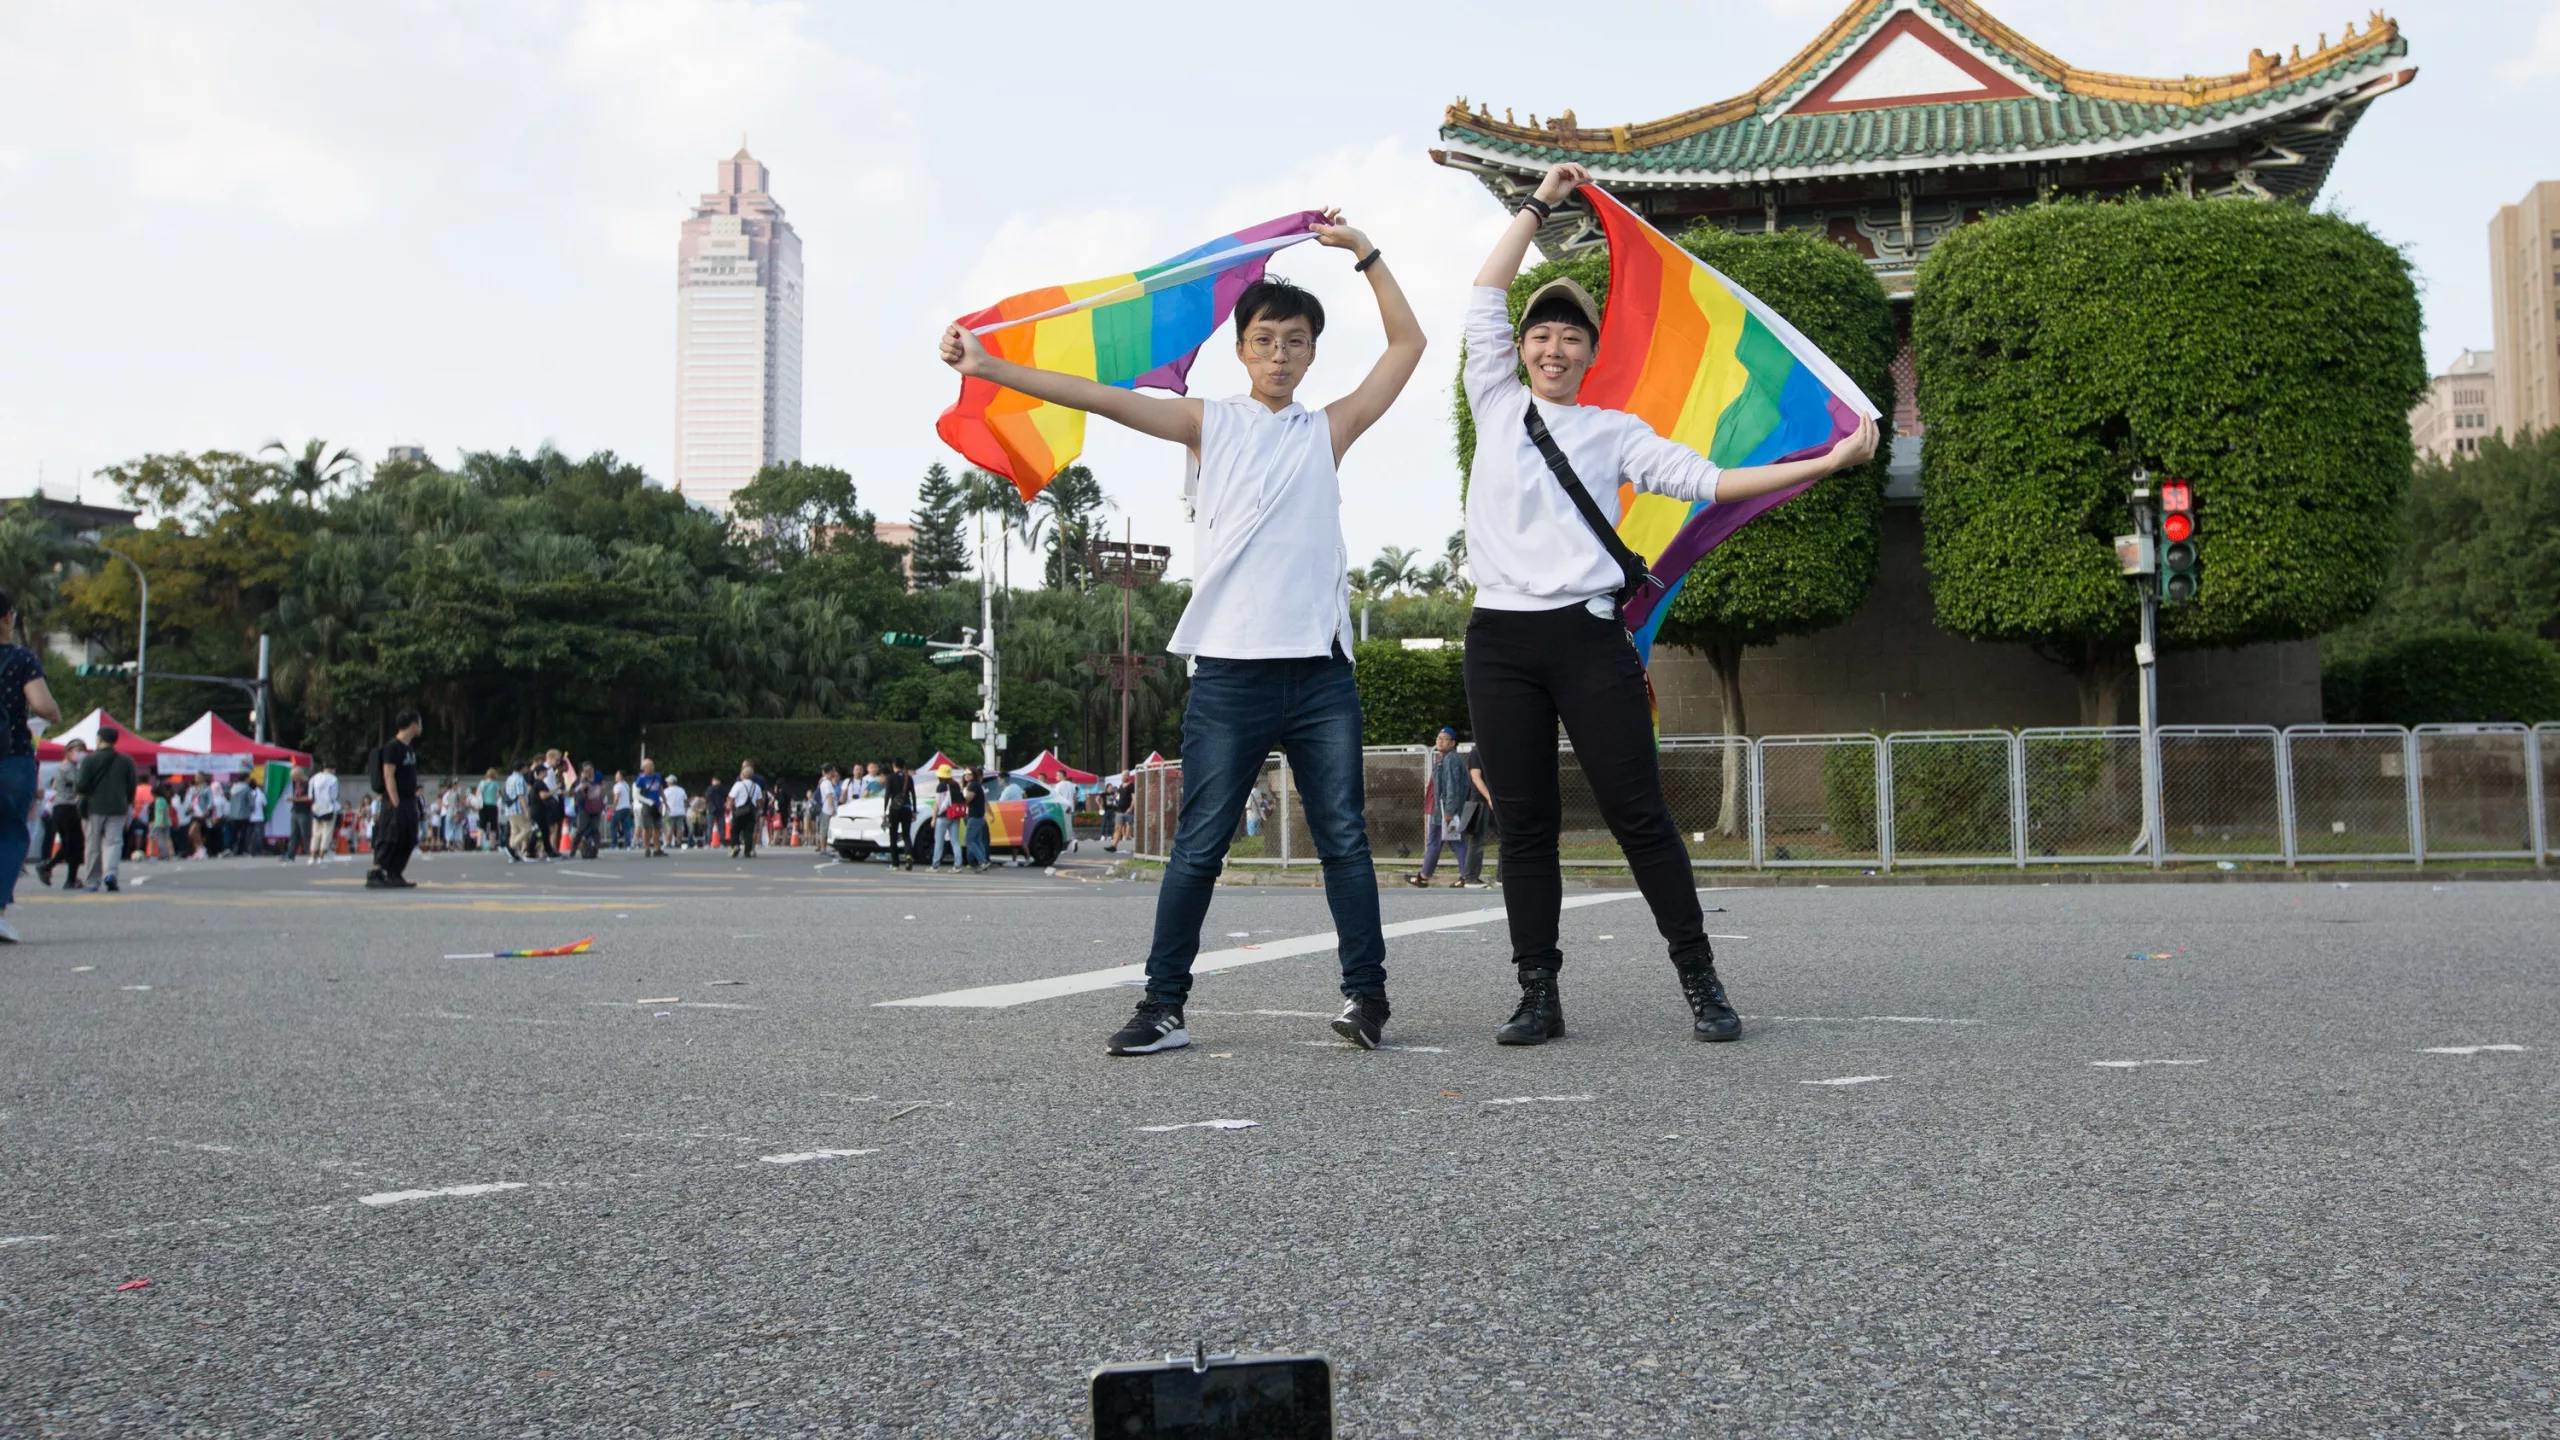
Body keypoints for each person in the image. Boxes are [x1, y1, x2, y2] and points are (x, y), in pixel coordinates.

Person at [942, 211, 1423, 1055]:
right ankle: (1163, 1005)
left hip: (1320, 674)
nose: (1280, 354)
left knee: (1343, 837)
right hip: (1231, 674)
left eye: (1297, 341)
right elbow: (1100, 396)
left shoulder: (1328, 430)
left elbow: (1408, 347)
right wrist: (991, 365)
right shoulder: (1209, 423)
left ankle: (1366, 999)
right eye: (1266, 339)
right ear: (1241, 349)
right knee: (1199, 843)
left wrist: (1368, 256)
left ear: (1313, 353)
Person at [1460, 161, 1877, 1046]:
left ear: (1591, 352)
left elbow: (1713, 481)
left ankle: (1701, 978)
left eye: (1573, 337)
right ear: (1520, 347)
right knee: (1525, 827)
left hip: (1587, 638)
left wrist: (1823, 464)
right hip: (1499, 641)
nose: (1555, 348)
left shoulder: (1616, 433)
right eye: (1542, 335)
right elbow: (1485, 288)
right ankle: (1538, 992)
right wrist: (1540, 202)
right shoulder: (1493, 400)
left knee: (1639, 814)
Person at [0, 594, 58, 938]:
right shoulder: (21, 659)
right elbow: (42, 705)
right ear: (8, 617)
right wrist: (54, 713)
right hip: (11, 758)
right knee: (9, 833)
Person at [366, 709, 425, 889]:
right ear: (413, 724)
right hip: (394, 801)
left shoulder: (409, 748)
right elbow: (388, 775)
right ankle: (376, 872)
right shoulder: (393, 747)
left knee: (409, 837)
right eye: (420, 722)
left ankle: (395, 873)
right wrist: (395, 802)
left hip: (408, 800)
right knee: (389, 836)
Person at [74, 725, 135, 895]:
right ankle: (110, 874)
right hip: (118, 807)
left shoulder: (89, 760)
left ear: (99, 739)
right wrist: (127, 801)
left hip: (93, 807)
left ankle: (93, 880)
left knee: (93, 845)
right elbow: (131, 786)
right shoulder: (126, 760)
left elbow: (82, 785)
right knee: (114, 842)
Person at [1410, 727, 1474, 887]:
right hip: (1441, 809)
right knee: (1454, 842)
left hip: (1443, 810)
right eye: (1438, 738)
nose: (1440, 741)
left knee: (1440, 842)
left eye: (1445, 738)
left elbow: (1452, 786)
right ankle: (1465, 876)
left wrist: (1449, 811)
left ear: (1453, 743)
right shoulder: (1443, 758)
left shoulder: (1450, 759)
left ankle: (1425, 876)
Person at [38, 739, 86, 887]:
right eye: (77, 751)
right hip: (67, 807)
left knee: (70, 844)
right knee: (74, 843)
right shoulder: (67, 767)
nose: (80, 754)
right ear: (68, 751)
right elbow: (80, 784)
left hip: (63, 808)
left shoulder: (69, 767)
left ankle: (65, 875)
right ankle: (52, 868)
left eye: (82, 751)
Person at [929, 763, 964, 871]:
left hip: (943, 817)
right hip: (955, 816)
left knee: (939, 842)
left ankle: (935, 865)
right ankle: (957, 864)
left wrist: (934, 818)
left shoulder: (940, 787)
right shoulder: (956, 785)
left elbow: (937, 804)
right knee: (955, 841)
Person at [883, 759, 916, 871]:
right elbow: (913, 795)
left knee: (893, 836)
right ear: (904, 766)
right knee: (906, 835)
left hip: (894, 809)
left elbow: (887, 794)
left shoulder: (891, 778)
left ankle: (895, 863)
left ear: (894, 765)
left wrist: (884, 810)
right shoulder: (909, 778)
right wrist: (914, 810)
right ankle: (908, 855)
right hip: (906, 808)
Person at [726, 760, 763, 859]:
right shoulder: (757, 787)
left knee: (735, 830)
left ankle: (736, 845)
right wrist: (759, 809)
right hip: (751, 812)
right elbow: (760, 801)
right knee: (748, 832)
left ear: (743, 775)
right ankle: (748, 850)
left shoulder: (738, 785)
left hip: (739, 811)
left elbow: (732, 798)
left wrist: (731, 809)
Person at [308, 761, 341, 863]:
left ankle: (312, 856)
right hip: (328, 808)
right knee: (327, 832)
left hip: (316, 807)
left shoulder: (314, 778)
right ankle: (322, 855)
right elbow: (334, 796)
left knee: (316, 832)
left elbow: (310, 795)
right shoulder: (333, 779)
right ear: (332, 769)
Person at [633, 757, 665, 858]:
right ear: (645, 768)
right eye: (650, 766)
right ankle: (647, 848)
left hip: (657, 804)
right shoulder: (641, 779)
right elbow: (636, 795)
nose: (652, 767)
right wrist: (648, 801)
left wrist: (664, 800)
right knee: (647, 828)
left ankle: (657, 848)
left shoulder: (657, 776)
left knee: (657, 827)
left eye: (652, 765)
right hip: (647, 805)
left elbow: (660, 788)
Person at [962, 767, 991, 872]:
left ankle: (982, 861)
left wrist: (959, 799)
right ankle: (984, 862)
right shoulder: (977, 785)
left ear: (973, 774)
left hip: (974, 816)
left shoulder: (973, 785)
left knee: (968, 840)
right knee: (978, 841)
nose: (966, 775)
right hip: (979, 816)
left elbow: (968, 798)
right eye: (965, 773)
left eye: (969, 773)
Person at [285, 761, 313, 862]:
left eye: (294, 776)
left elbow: (309, 798)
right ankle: (290, 855)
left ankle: (312, 853)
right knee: (293, 834)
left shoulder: (308, 783)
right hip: (295, 810)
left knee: (306, 834)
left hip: (304, 811)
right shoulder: (295, 784)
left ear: (299, 775)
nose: (293, 779)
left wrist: (295, 799)